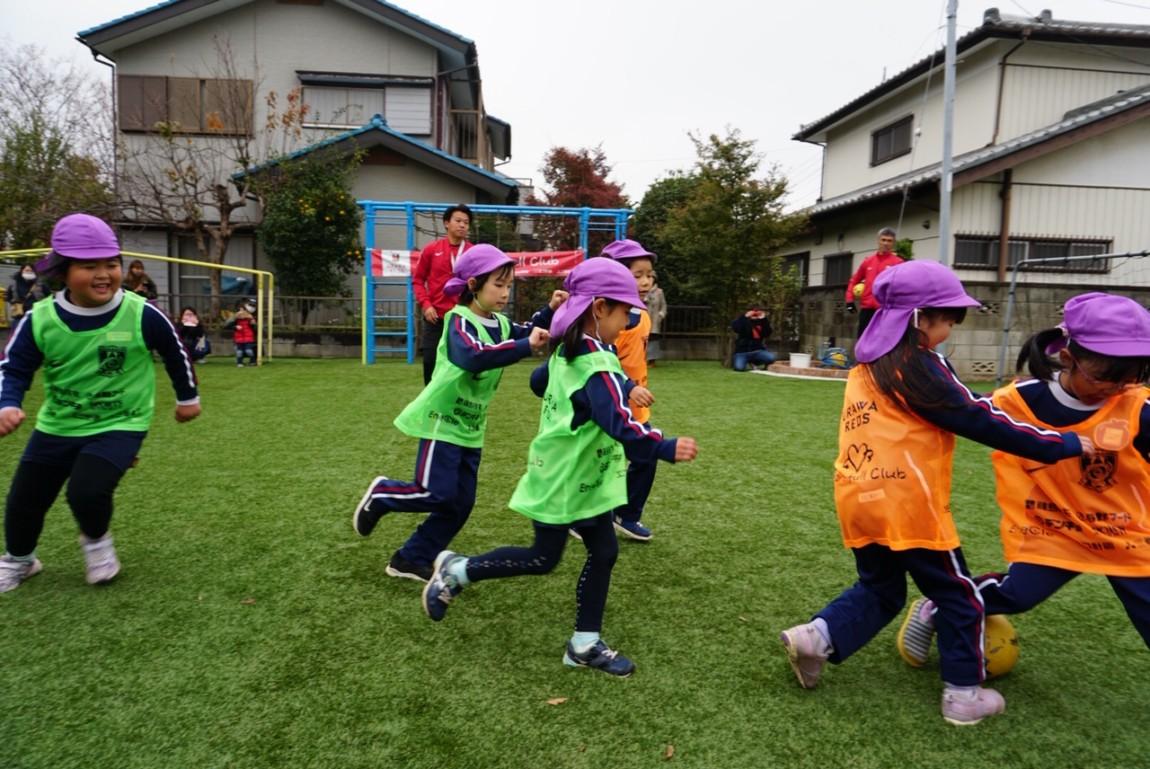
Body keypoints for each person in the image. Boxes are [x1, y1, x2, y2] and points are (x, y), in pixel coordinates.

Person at [778, 260, 1093, 726]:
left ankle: (817, 637)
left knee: (881, 588)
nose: (952, 328)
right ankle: (964, 694)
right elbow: (977, 418)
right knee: (960, 596)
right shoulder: (919, 367)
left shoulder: (869, 365)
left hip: (856, 493)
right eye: (948, 319)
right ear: (919, 318)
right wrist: (1061, 443)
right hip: (908, 503)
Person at [420, 258, 699, 677]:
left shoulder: (574, 350)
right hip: (565, 480)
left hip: (578, 476)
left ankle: (584, 644)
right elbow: (622, 425)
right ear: (600, 308)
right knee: (543, 558)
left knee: (603, 550)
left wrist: (623, 387)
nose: (628, 322)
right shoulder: (594, 362)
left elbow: (541, 382)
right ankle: (457, 572)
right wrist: (665, 446)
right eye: (625, 312)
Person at [897, 292, 1150, 664]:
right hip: (1053, 528)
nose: (1118, 386)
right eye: (1105, 376)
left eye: (1134, 374)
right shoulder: (1019, 401)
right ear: (1068, 358)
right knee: (1018, 595)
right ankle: (936, 607)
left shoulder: (1138, 408)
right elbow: (961, 414)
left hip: (1124, 530)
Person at [0, 214, 201, 593]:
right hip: (58, 424)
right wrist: (7, 404)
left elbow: (176, 351)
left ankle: (96, 541)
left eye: (111, 264)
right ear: (62, 271)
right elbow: (14, 368)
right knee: (25, 498)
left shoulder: (140, 312)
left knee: (86, 491)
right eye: (89, 266)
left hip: (121, 422)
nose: (104, 274)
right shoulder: (39, 319)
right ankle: (19, 560)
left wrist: (187, 398)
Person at [352, 244, 563, 582]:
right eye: (498, 284)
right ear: (473, 285)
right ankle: (383, 494)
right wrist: (525, 346)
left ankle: (411, 558)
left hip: (470, 426)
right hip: (442, 420)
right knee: (434, 492)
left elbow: (527, 330)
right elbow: (474, 356)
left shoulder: (501, 324)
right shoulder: (457, 322)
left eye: (509, 285)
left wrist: (550, 311)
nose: (505, 292)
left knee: (460, 503)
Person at [599, 239, 659, 541]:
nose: (646, 281)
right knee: (598, 462)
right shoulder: (606, 319)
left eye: (649, 275)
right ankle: (577, 516)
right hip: (607, 404)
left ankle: (626, 514)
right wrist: (628, 387)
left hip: (635, 406)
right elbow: (600, 361)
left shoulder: (643, 315)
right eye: (638, 275)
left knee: (645, 455)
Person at [412, 204, 473, 385]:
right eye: (458, 221)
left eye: (466, 222)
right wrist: (426, 304)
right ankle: (429, 408)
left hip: (463, 319)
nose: (462, 225)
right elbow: (418, 280)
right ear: (446, 223)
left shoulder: (473, 252)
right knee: (430, 363)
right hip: (435, 318)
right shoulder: (431, 250)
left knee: (463, 366)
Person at [845, 228, 904, 337]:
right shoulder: (868, 261)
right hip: (867, 310)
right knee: (862, 342)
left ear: (893, 243)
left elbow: (904, 286)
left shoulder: (898, 263)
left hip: (885, 310)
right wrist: (849, 300)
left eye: (889, 241)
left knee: (884, 343)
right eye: (883, 240)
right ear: (878, 241)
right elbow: (854, 280)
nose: (886, 243)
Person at [731, 305, 776, 371]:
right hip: (742, 352)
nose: (754, 314)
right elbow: (736, 328)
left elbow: (767, 333)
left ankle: (755, 363)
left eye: (756, 312)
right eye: (753, 312)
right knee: (739, 368)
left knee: (771, 358)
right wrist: (745, 316)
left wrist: (764, 319)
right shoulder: (743, 321)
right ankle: (746, 362)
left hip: (758, 351)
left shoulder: (762, 322)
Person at [228, 300, 257, 366]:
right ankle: (239, 362)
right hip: (239, 337)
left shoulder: (250, 317)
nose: (241, 312)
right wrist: (235, 327)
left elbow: (254, 327)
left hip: (248, 336)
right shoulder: (235, 319)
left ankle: (252, 361)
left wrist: (253, 323)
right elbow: (228, 325)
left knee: (248, 350)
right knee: (239, 351)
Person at [645, 276, 667, 366]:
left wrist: (661, 315)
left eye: (651, 278)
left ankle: (652, 360)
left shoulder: (659, 292)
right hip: (644, 319)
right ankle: (642, 359)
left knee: (653, 339)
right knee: (642, 338)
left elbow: (664, 305)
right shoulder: (641, 290)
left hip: (654, 320)